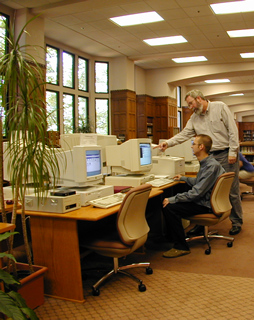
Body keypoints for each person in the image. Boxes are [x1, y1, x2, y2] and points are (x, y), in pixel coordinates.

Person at [156, 89, 242, 236]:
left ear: (199, 99)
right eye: (188, 105)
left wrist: (233, 152)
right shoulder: (194, 118)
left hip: (226, 154)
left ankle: (236, 222)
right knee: (204, 190)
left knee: (231, 191)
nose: (190, 107)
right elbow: (184, 134)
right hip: (208, 156)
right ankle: (201, 224)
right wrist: (168, 143)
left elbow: (233, 130)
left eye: (191, 103)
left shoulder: (220, 107)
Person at [162, 134, 225, 258]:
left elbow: (197, 193)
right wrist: (184, 178)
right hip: (210, 201)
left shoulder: (210, 166)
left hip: (206, 205)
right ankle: (175, 236)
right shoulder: (209, 163)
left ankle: (181, 246)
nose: (191, 146)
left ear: (201, 147)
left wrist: (172, 199)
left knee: (170, 207)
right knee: (179, 192)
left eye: (194, 144)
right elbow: (201, 182)